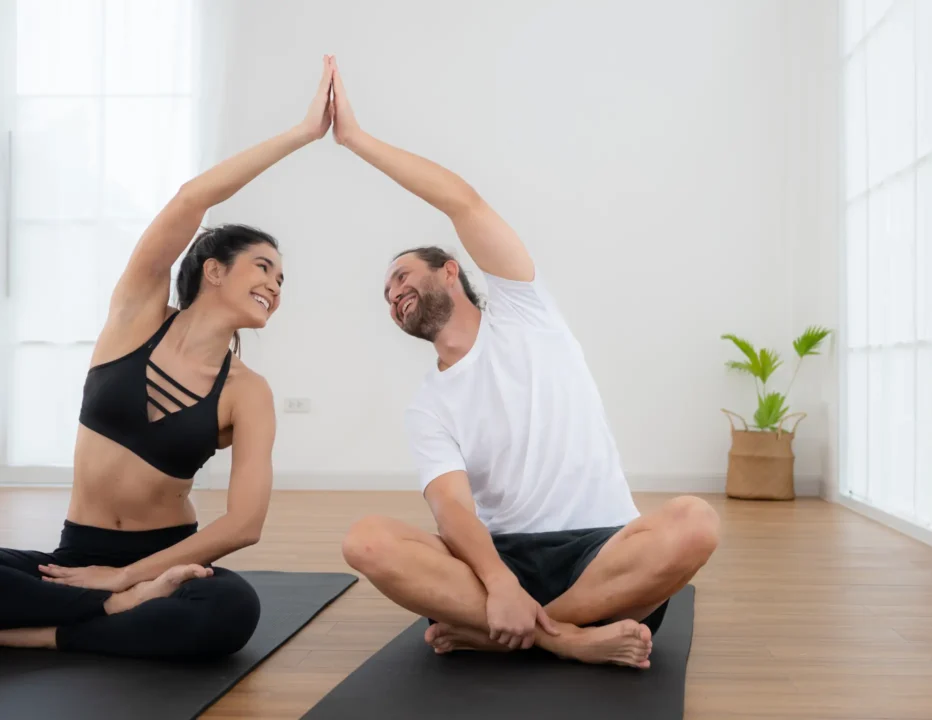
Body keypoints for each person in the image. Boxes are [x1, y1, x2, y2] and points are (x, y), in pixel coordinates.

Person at [334, 56, 720, 669]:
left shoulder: (525, 311)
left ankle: (521, 634)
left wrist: (356, 140)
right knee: (367, 541)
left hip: (603, 558)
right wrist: (500, 584)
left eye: (402, 276)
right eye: (386, 296)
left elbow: (463, 202)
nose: (394, 294)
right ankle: (569, 638)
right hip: (498, 565)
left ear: (451, 270)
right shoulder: (427, 405)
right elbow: (453, 510)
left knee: (695, 523)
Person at [0, 57, 338, 659]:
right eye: (264, 267)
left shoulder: (247, 391)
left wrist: (130, 578)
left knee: (232, 609)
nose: (276, 286)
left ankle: (53, 629)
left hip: (165, 561)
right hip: (77, 555)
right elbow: (191, 199)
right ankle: (100, 619)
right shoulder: (135, 321)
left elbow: (244, 525)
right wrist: (300, 135)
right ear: (213, 269)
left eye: (283, 279)